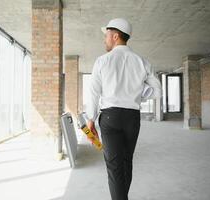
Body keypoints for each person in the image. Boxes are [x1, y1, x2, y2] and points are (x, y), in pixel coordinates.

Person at [86, 18, 162, 200]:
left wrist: (90, 119)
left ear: (115, 36)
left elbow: (94, 93)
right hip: (132, 118)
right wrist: (137, 93)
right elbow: (157, 91)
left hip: (110, 118)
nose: (104, 40)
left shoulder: (102, 61)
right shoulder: (141, 61)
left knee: (114, 167)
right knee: (126, 162)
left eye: (106, 36)